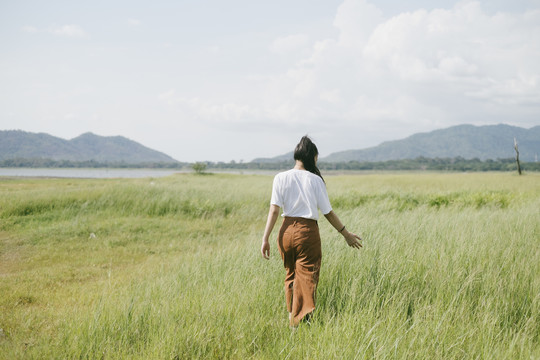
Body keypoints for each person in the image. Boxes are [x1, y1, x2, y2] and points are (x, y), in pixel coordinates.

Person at [261, 135, 362, 327]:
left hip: (285, 232)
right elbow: (328, 213)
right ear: (311, 157)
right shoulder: (315, 180)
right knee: (307, 276)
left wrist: (265, 238)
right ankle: (299, 323)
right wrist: (346, 234)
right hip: (307, 233)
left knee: (291, 274)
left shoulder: (280, 177)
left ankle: (291, 316)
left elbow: (274, 210)